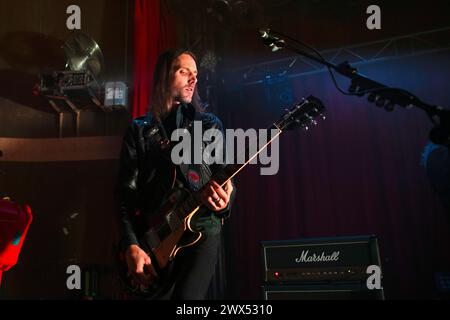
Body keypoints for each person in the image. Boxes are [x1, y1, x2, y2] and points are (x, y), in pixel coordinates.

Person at [116, 49, 235, 300]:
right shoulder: (139, 130)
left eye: (195, 75)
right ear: (164, 76)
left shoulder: (208, 125)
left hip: (201, 231)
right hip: (154, 242)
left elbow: (226, 180)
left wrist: (226, 201)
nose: (193, 79)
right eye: (184, 72)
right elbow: (124, 195)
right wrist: (131, 245)